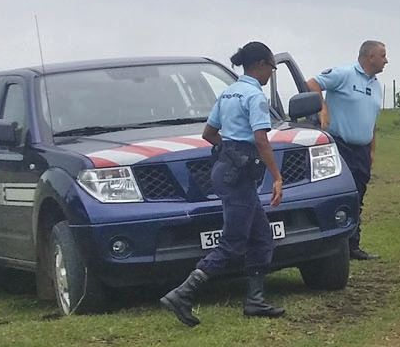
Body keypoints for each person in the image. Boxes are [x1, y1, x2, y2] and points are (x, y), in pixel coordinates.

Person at [160, 41, 288, 326]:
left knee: (261, 237)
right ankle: (183, 293)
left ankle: (255, 300)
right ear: (260, 65)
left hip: (225, 170)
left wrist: (229, 150)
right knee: (233, 243)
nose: (271, 73)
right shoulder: (254, 97)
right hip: (239, 176)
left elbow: (209, 133)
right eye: (271, 67)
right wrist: (277, 176)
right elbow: (261, 139)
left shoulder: (228, 93)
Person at [305, 39, 386, 261]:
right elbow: (311, 83)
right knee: (339, 194)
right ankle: (332, 243)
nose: (386, 60)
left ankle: (352, 244)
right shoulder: (343, 74)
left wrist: (371, 150)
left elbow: (371, 121)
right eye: (383, 55)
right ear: (370, 57)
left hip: (361, 149)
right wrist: (322, 108)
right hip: (340, 145)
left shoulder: (376, 85)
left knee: (358, 195)